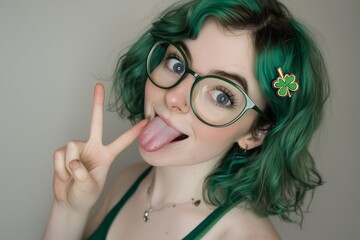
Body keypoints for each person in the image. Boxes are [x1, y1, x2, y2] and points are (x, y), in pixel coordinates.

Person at [43, 0, 329, 239]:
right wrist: (69, 209)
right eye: (176, 63)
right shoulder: (126, 182)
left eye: (221, 95)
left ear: (256, 132)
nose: (174, 97)